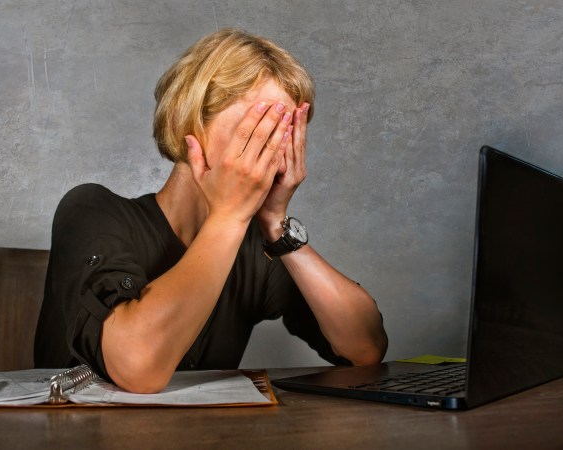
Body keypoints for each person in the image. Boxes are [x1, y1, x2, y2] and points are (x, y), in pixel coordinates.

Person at [34, 28, 387, 393]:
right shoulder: (92, 211)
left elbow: (365, 349)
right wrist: (230, 216)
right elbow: (137, 367)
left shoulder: (257, 245)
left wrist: (276, 224)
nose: (269, 154)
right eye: (254, 132)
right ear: (183, 125)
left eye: (283, 135)